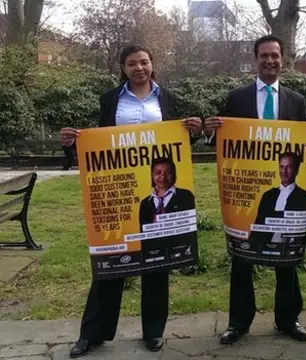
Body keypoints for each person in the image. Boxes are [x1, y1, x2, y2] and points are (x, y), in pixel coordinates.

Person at [59, 45, 203, 358]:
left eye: (144, 62)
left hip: (158, 191)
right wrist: (74, 144)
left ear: (153, 64)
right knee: (110, 262)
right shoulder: (110, 99)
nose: (139, 68)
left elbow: (177, 144)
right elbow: (98, 143)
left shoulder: (168, 98)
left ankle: (154, 332)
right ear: (123, 68)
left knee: (156, 263)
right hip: (120, 190)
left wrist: (193, 132)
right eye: (131, 63)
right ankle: (92, 335)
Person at [202, 34, 306, 345]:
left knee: (286, 256)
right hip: (249, 192)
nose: (270, 60)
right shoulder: (237, 98)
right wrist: (211, 132)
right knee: (242, 256)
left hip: (287, 187)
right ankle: (238, 323)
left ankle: (289, 319)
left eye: (275, 55)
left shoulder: (296, 101)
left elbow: (303, 147)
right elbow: (223, 140)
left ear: (283, 60)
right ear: (255, 59)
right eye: (264, 56)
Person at [249, 152, 306, 245]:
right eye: (281, 166)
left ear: (297, 170)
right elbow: (258, 225)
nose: (284, 171)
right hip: (262, 247)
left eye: (289, 167)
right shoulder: (268, 195)